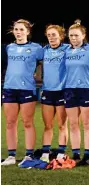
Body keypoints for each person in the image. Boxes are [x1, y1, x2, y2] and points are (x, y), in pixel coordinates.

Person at [1, 19, 44, 166]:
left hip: (27, 89)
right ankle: (11, 156)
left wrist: (38, 75)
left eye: (21, 30)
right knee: (10, 123)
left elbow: (47, 62)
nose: (18, 32)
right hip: (9, 88)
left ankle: (29, 155)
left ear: (28, 31)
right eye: (16, 29)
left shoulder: (37, 48)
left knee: (27, 122)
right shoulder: (9, 48)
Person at [61, 20, 89, 166]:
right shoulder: (66, 50)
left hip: (86, 89)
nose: (73, 38)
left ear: (83, 35)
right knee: (73, 124)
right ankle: (75, 154)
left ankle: (87, 155)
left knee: (87, 123)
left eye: (76, 35)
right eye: (71, 36)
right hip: (69, 89)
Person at [38, 24, 69, 162]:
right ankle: (45, 153)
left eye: (54, 35)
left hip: (62, 91)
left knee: (62, 125)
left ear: (61, 36)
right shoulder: (44, 51)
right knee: (47, 125)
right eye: (49, 35)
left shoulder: (67, 49)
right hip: (47, 91)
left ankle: (61, 152)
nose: (51, 38)